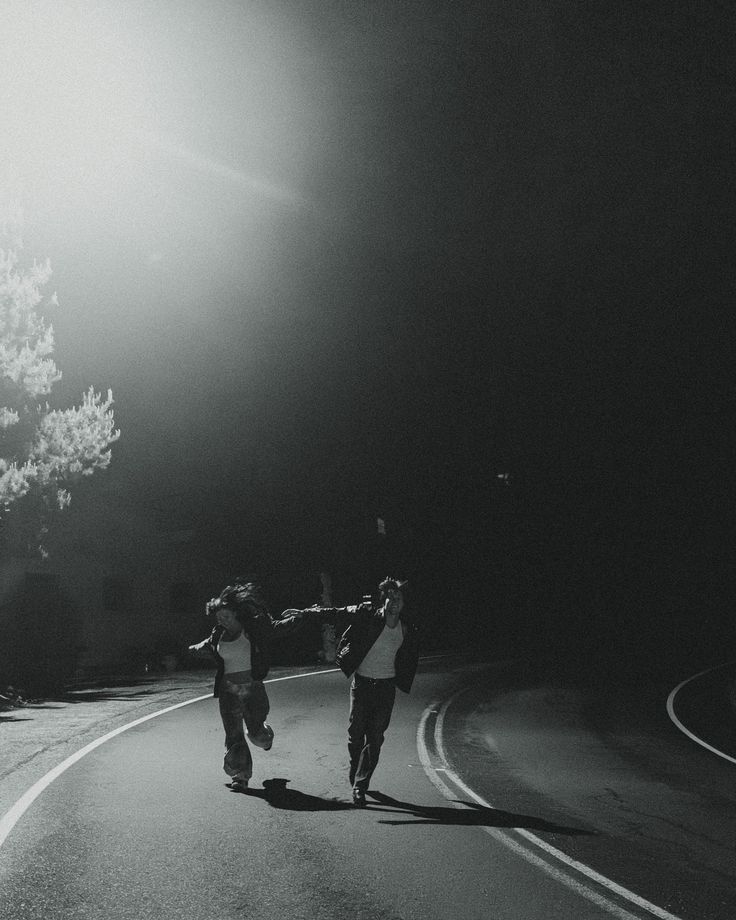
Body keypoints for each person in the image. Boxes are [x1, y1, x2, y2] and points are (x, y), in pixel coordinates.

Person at [188, 578, 332, 791]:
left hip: (252, 689)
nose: (222, 621)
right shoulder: (218, 634)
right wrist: (194, 647)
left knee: (256, 735)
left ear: (236, 613)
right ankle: (241, 775)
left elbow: (277, 628)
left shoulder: (253, 629)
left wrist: (302, 617)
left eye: (226, 616)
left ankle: (265, 735)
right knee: (234, 736)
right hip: (228, 692)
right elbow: (208, 645)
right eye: (219, 618)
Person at [333, 576, 419, 807]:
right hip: (361, 685)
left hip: (385, 688)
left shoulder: (406, 628)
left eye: (397, 598)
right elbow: (338, 615)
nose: (393, 602)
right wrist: (304, 614)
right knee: (355, 736)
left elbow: (409, 656)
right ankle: (356, 770)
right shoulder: (369, 618)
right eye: (389, 597)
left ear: (403, 603)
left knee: (375, 738)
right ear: (383, 599)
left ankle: (360, 785)